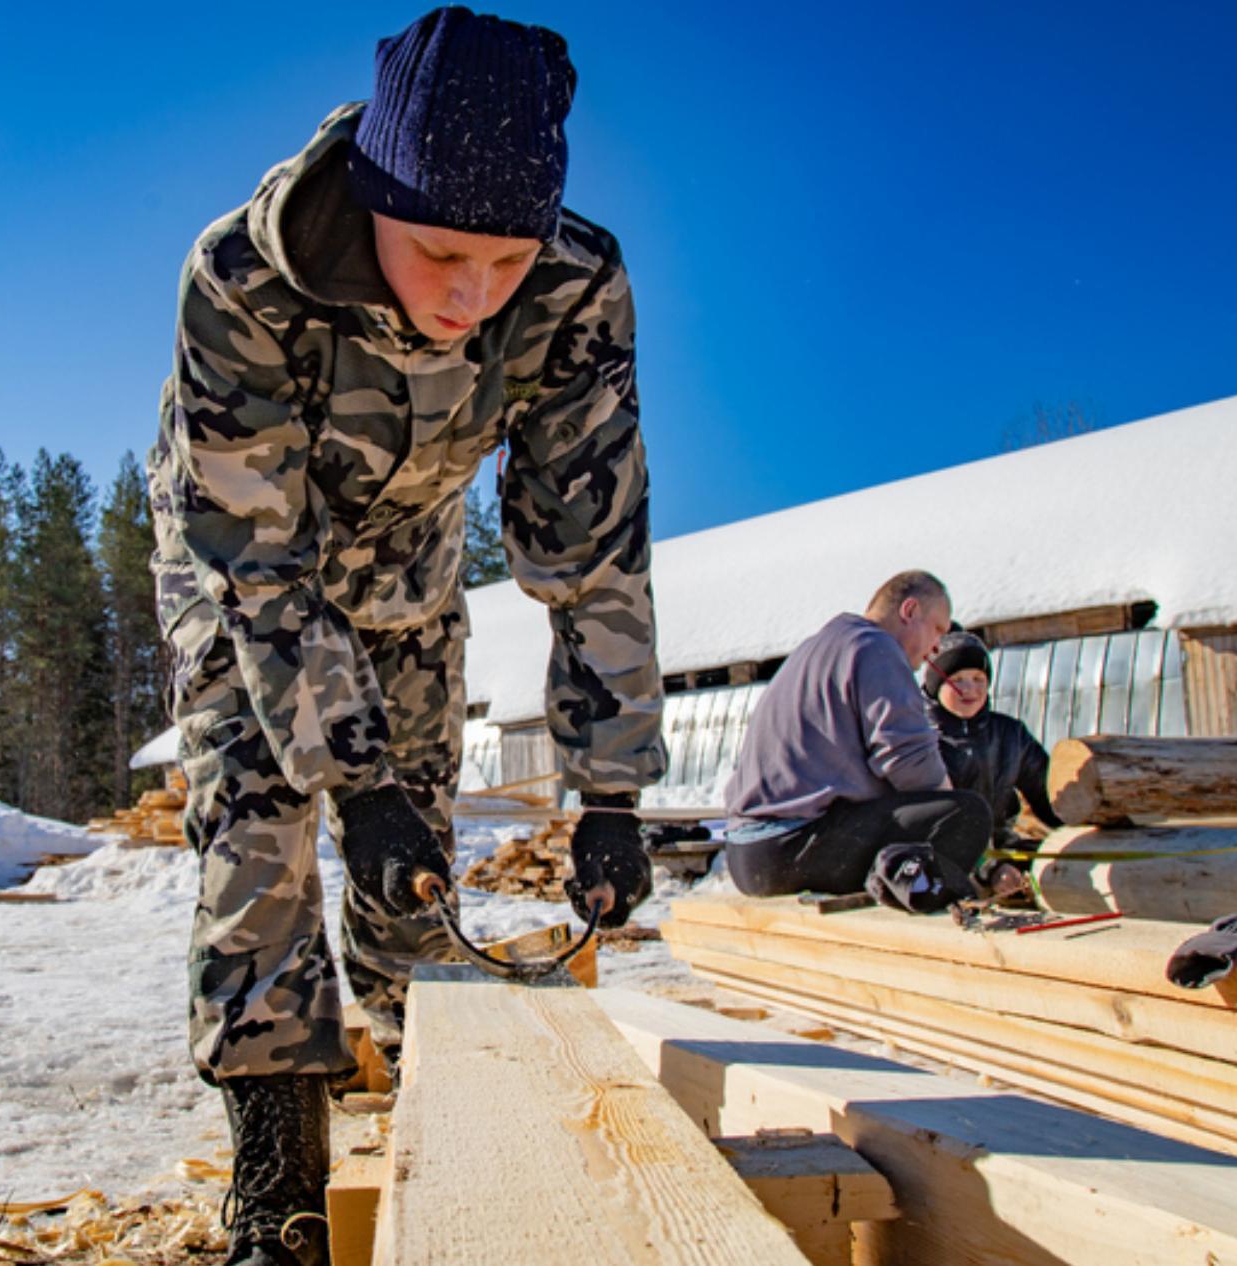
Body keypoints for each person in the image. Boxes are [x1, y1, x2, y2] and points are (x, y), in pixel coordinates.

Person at [147, 10, 666, 1264]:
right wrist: (351, 772)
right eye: (440, 254)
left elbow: (590, 546)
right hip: (241, 570)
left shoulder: (573, 291)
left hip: (410, 576)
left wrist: (608, 793)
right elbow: (259, 567)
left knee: (411, 855)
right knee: (258, 829)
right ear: (376, 192)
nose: (470, 297)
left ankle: (437, 1087)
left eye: (503, 261)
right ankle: (277, 1175)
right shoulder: (242, 278)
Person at [723, 571, 992, 909]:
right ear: (909, 611)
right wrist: (951, 816)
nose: (937, 645)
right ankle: (910, 903)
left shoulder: (822, 646)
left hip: (749, 852)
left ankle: (900, 884)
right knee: (966, 815)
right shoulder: (876, 647)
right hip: (788, 848)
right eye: (938, 628)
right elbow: (908, 759)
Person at [921, 629, 1063, 893]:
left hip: (1002, 853)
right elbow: (931, 824)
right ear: (934, 683)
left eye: (978, 678)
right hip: (941, 860)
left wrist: (1083, 831)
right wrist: (988, 869)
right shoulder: (919, 741)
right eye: (958, 679)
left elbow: (1050, 796)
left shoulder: (1010, 735)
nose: (970, 689)